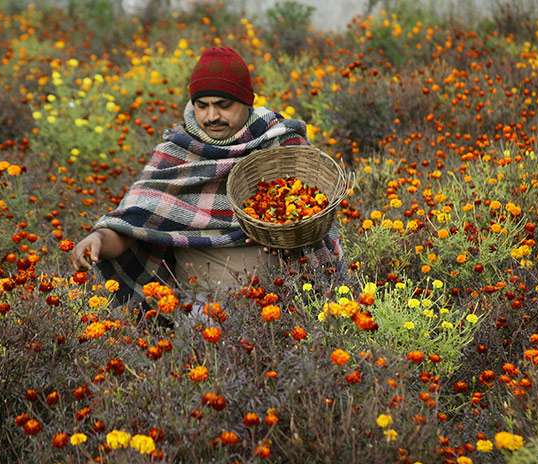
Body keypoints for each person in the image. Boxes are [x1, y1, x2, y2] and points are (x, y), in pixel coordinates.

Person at [71, 46, 344, 310]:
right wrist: (98, 240)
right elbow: (134, 223)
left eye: (224, 105)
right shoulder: (176, 153)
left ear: (247, 101)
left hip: (286, 300)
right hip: (202, 307)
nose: (212, 116)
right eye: (202, 106)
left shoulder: (281, 143)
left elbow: (318, 218)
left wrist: (281, 233)